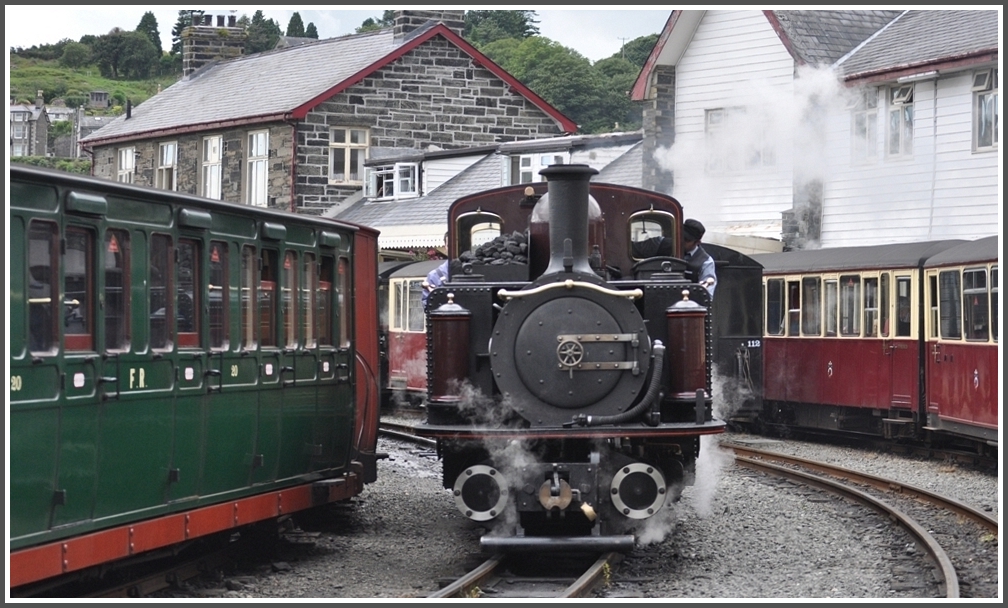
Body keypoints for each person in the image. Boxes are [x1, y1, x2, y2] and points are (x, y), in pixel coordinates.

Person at [682, 218, 716, 300]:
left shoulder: (706, 262)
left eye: (687, 240)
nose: (682, 241)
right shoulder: (667, 247)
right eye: (681, 237)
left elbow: (707, 295)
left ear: (697, 242)